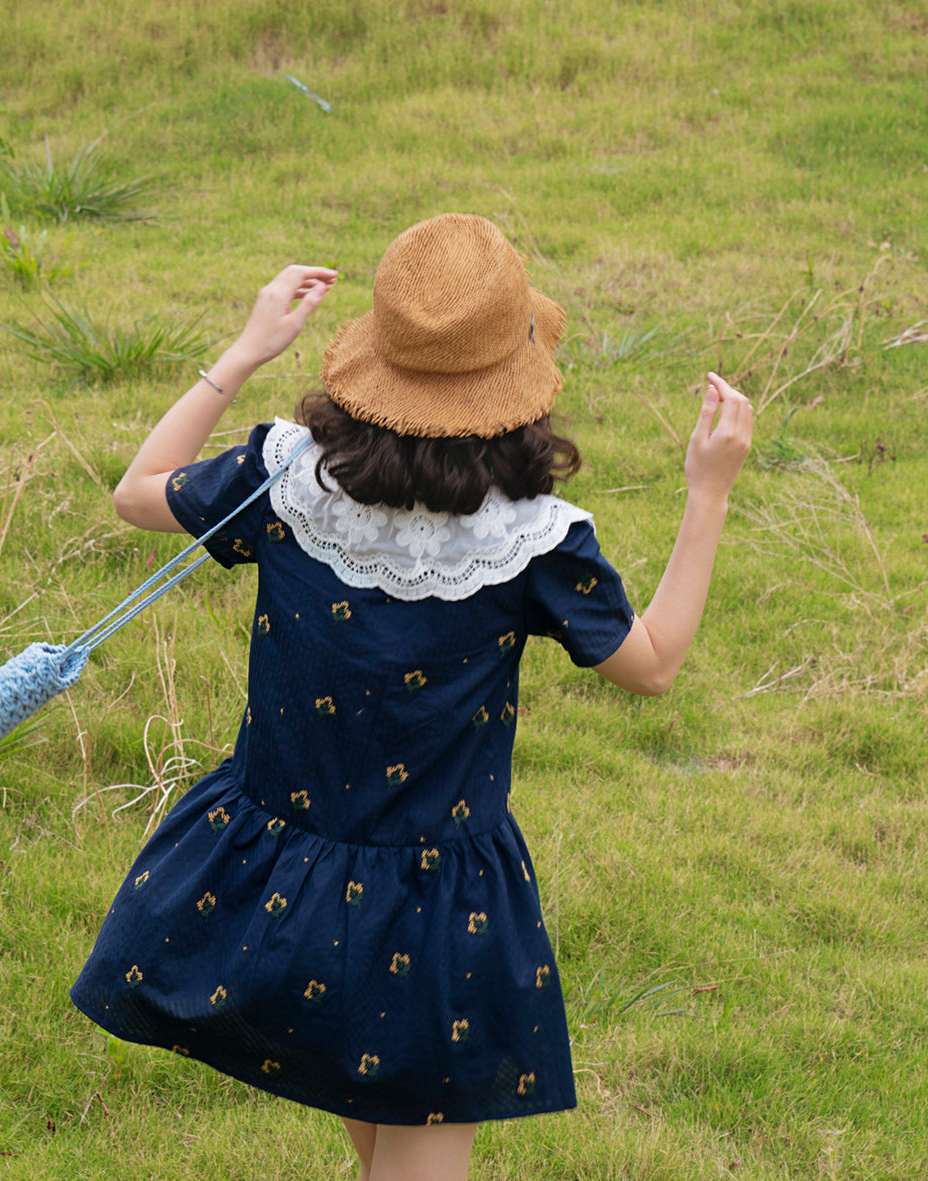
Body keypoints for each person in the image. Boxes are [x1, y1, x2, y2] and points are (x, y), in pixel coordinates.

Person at [70, 214, 753, 1181]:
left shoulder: (286, 479)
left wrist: (246, 347)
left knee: (376, 1146)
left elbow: (139, 491)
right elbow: (651, 666)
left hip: (273, 886)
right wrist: (709, 490)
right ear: (518, 386)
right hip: (436, 917)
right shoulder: (536, 540)